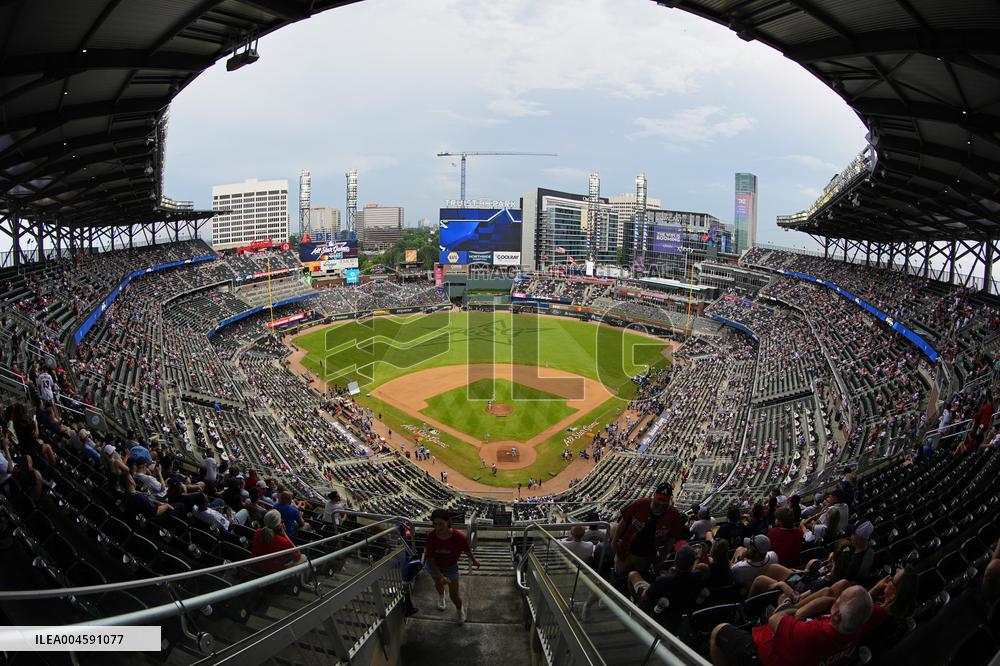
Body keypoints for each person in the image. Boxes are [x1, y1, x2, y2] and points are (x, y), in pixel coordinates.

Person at [709, 584, 879, 666]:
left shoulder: (810, 634)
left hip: (763, 654)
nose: (835, 600)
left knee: (718, 630)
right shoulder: (860, 623)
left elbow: (775, 619)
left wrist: (794, 607)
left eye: (838, 600)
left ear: (836, 616)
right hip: (793, 645)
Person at [611, 481, 682, 576]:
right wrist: (614, 542)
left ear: (669, 500)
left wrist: (662, 559)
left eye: (664, 500)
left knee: (638, 576)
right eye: (659, 499)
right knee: (619, 574)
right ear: (654, 496)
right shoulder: (640, 504)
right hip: (625, 552)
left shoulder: (674, 515)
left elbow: (671, 539)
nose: (660, 503)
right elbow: (623, 522)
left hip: (647, 557)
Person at [424, 509, 480, 625]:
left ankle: (460, 610)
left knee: (454, 595)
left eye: (441, 524)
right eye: (435, 524)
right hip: (435, 567)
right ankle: (441, 596)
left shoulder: (458, 536)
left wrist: (474, 561)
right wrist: (440, 576)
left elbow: (467, 550)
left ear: (448, 521)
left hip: (451, 567)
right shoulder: (431, 537)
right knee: (438, 584)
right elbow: (430, 558)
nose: (438, 527)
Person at [628, 545, 707, 624]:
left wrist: (651, 586)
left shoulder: (663, 580)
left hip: (657, 610)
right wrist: (698, 558)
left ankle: (636, 603)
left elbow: (644, 597)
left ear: (675, 561)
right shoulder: (698, 576)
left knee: (633, 574)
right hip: (682, 608)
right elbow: (692, 571)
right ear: (692, 563)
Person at [252, 509, 305, 574]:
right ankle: (303, 582)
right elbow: (297, 556)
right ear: (278, 525)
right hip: (273, 572)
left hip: (257, 567)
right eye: (281, 521)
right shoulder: (282, 541)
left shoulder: (257, 532)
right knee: (303, 557)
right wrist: (284, 534)